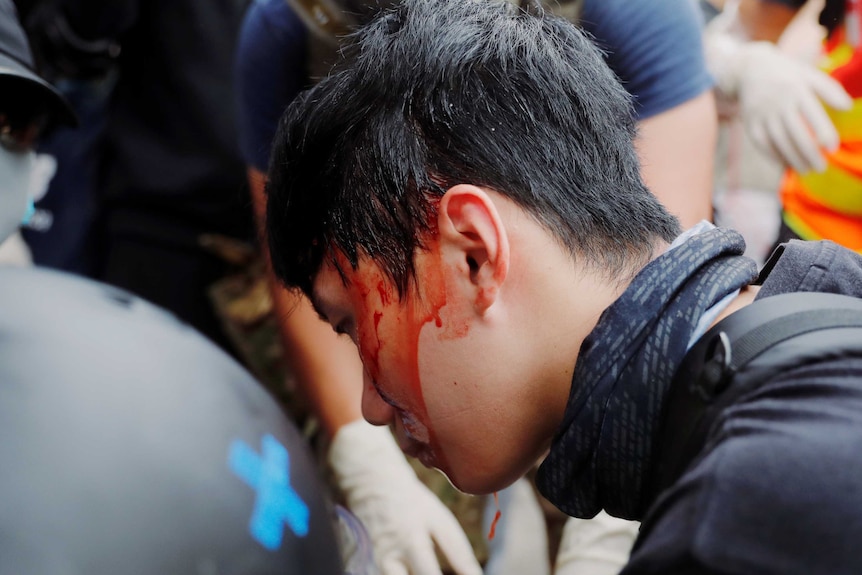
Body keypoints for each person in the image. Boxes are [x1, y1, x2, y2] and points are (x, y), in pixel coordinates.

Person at [263, 0, 862, 573]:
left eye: (358, 325)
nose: (368, 407)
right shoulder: (827, 302)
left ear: (473, 253)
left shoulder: (734, 532)